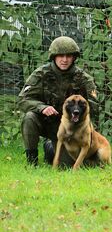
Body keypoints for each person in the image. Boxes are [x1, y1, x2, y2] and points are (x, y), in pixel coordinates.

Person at [17, 36, 98, 166]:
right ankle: (32, 162)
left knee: (65, 165)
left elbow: (94, 106)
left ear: (74, 57)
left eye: (69, 56)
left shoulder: (83, 78)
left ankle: (50, 147)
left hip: (72, 128)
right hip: (48, 123)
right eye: (60, 55)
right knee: (29, 118)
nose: (64, 60)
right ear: (53, 56)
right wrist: (42, 107)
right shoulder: (41, 74)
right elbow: (23, 100)